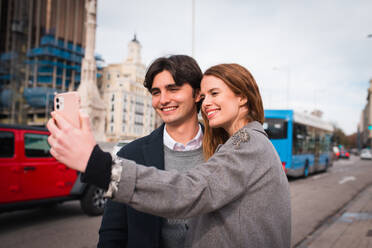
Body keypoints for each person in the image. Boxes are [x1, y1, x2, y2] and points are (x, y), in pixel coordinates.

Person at [47, 63, 292, 248]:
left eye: (214, 94)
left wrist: (99, 165)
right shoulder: (235, 145)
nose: (207, 103)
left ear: (242, 97)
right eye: (205, 96)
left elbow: (190, 190)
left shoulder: (247, 142)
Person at [96, 55, 204, 247]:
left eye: (173, 89)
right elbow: (113, 233)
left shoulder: (225, 150)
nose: (163, 100)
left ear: (197, 94)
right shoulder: (130, 155)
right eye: (156, 92)